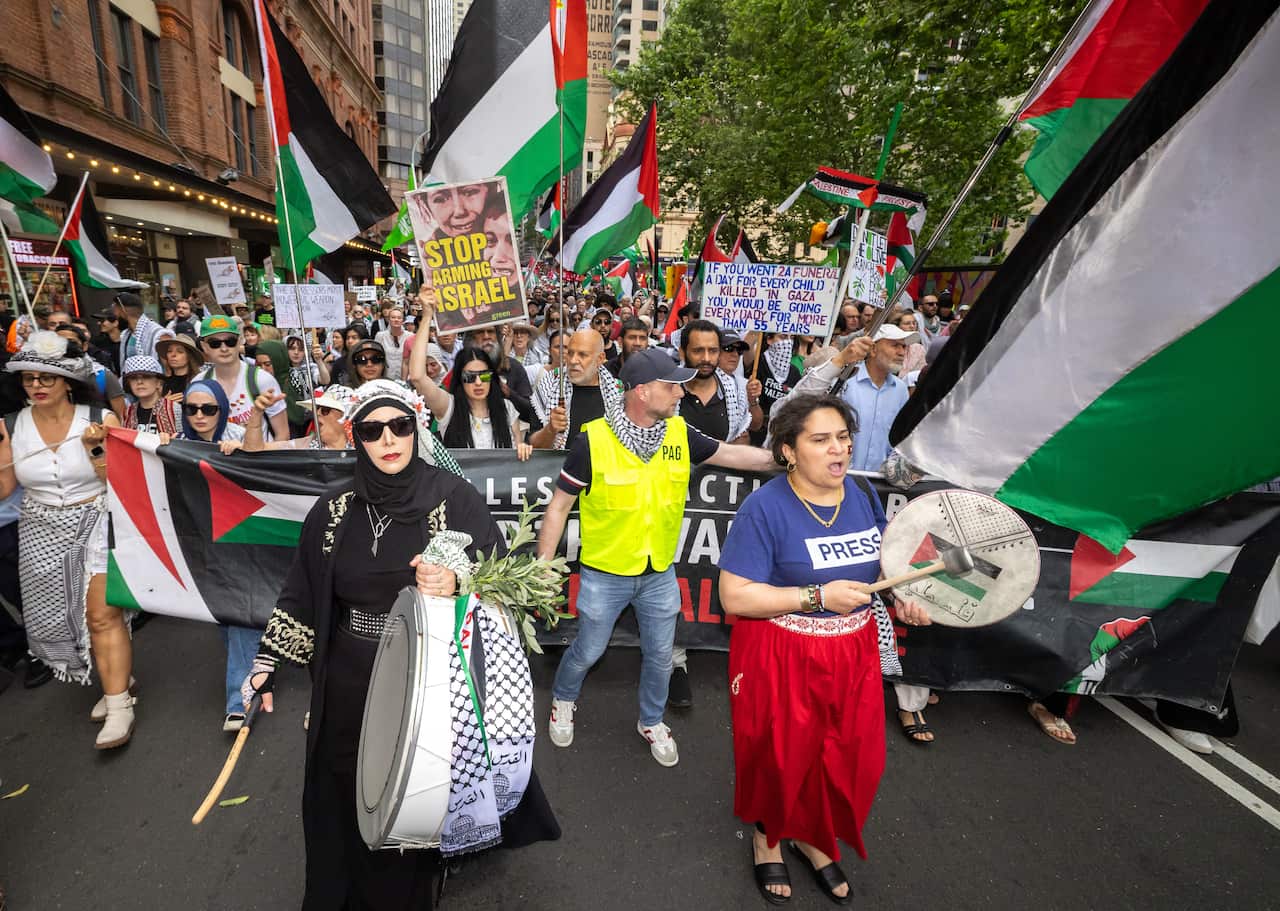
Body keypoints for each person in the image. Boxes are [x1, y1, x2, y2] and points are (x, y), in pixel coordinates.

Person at [241, 379, 559, 908]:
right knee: (345, 790)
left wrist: (459, 583)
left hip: (428, 678)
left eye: (400, 426)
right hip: (347, 676)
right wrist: (266, 663)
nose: (388, 439)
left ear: (418, 428)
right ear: (355, 437)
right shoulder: (333, 509)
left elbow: (507, 577)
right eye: (371, 429)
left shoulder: (453, 498)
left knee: (411, 794)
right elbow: (301, 590)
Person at [719, 394, 933, 903]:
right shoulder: (764, 507)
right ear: (789, 451)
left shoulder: (858, 495)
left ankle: (813, 837)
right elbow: (735, 595)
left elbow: (886, 562)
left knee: (844, 753)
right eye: (820, 440)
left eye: (843, 437)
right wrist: (817, 596)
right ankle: (769, 837)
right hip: (780, 652)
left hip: (852, 653)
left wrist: (903, 595)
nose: (838, 450)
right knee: (778, 753)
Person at [537, 349, 780, 767]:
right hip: (604, 574)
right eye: (672, 386)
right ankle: (563, 698)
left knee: (661, 654)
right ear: (643, 392)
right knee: (588, 650)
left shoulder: (679, 433)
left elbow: (736, 454)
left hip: (659, 573)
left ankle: (651, 720)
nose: (680, 393)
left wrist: (789, 458)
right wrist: (542, 567)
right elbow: (558, 506)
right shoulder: (592, 440)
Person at [0, 332, 134, 749]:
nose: (37, 386)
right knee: (65, 616)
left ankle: (119, 705)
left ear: (66, 381)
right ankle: (119, 675)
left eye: (47, 378)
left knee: (100, 615)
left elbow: (122, 483)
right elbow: (5, 486)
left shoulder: (98, 418)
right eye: (29, 379)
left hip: (97, 519)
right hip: (39, 528)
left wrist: (97, 450)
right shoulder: (7, 426)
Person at [409, 344, 530, 460]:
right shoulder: (449, 406)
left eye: (484, 376)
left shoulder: (507, 408)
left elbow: (516, 455)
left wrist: (522, 449)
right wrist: (425, 322)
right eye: (470, 377)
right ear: (460, 379)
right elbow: (417, 377)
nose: (478, 382)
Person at [194, 315, 289, 440]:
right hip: (216, 458)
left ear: (239, 341)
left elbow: (282, 434)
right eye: (215, 343)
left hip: (259, 457)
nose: (224, 348)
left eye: (230, 341)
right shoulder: (199, 383)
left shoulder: (261, 379)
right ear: (204, 346)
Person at [529, 329, 618, 450]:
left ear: (600, 359)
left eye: (582, 355)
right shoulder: (549, 386)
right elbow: (533, 446)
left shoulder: (617, 395)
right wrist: (550, 429)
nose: (572, 360)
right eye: (570, 353)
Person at [239, 386, 356, 452]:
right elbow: (254, 449)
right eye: (317, 408)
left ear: (346, 417)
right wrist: (257, 413)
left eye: (325, 410)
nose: (317, 413)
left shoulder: (366, 450)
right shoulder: (304, 445)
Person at [750, 334, 802, 445]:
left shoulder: (794, 372)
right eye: (783, 337)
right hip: (756, 430)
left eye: (792, 338)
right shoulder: (757, 363)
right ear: (769, 339)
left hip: (781, 433)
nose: (788, 342)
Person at [121, 355, 180, 434]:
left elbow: (185, 442)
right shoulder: (127, 413)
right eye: (133, 378)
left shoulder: (175, 409)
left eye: (146, 377)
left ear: (159, 383)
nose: (139, 382)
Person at [156, 333, 202, 399]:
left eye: (180, 351)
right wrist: (164, 404)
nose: (173, 355)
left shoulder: (199, 381)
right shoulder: (161, 383)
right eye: (169, 351)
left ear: (189, 357)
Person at [373, 307, 413, 380]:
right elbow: (376, 356)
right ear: (388, 319)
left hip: (405, 378)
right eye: (393, 317)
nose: (396, 320)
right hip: (386, 377)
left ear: (403, 320)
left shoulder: (410, 336)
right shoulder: (380, 336)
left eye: (399, 318)